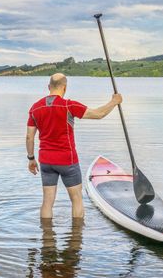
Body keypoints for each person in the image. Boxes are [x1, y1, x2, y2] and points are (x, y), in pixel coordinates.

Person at [26, 73, 122, 219]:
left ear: (48, 87)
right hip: (67, 160)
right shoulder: (69, 105)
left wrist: (31, 159)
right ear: (65, 88)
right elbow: (99, 114)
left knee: (47, 202)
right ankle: (76, 238)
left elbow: (29, 137)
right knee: (76, 200)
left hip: (46, 161)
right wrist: (114, 102)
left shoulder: (35, 108)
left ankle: (47, 238)